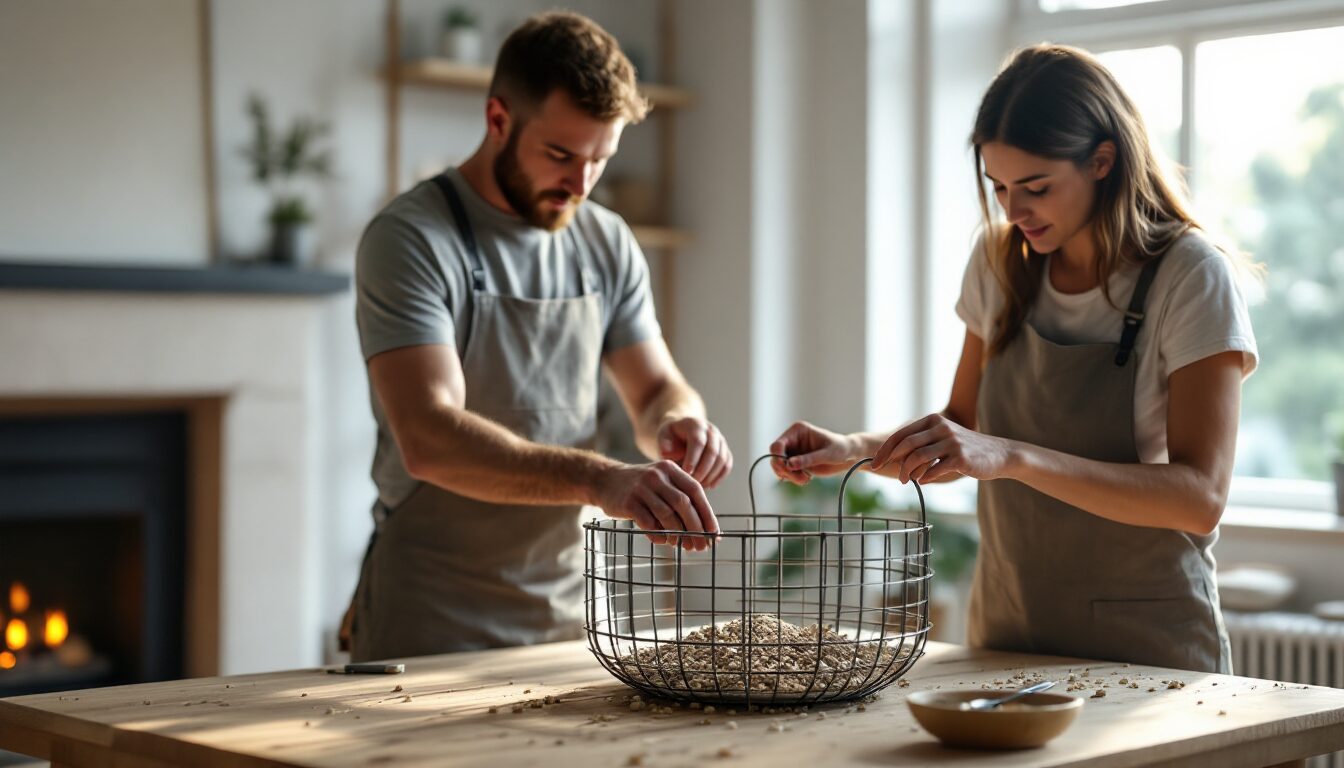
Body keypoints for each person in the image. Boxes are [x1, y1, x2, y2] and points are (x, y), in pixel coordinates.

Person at [769, 44, 1258, 673]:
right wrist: (850, 448)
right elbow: (960, 429)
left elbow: (1200, 496)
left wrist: (1013, 456)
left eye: (1036, 187)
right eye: (998, 187)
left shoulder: (1191, 276)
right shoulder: (1000, 264)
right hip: (1008, 635)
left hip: (1150, 653)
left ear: (1103, 162)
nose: (1013, 211)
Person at [346, 11, 733, 661]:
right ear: (498, 120)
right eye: (560, 155)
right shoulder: (410, 239)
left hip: (572, 619)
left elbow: (658, 388)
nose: (580, 184)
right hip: (431, 621)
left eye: (599, 159)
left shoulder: (605, 240)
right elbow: (429, 437)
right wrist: (600, 480)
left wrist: (679, 423)